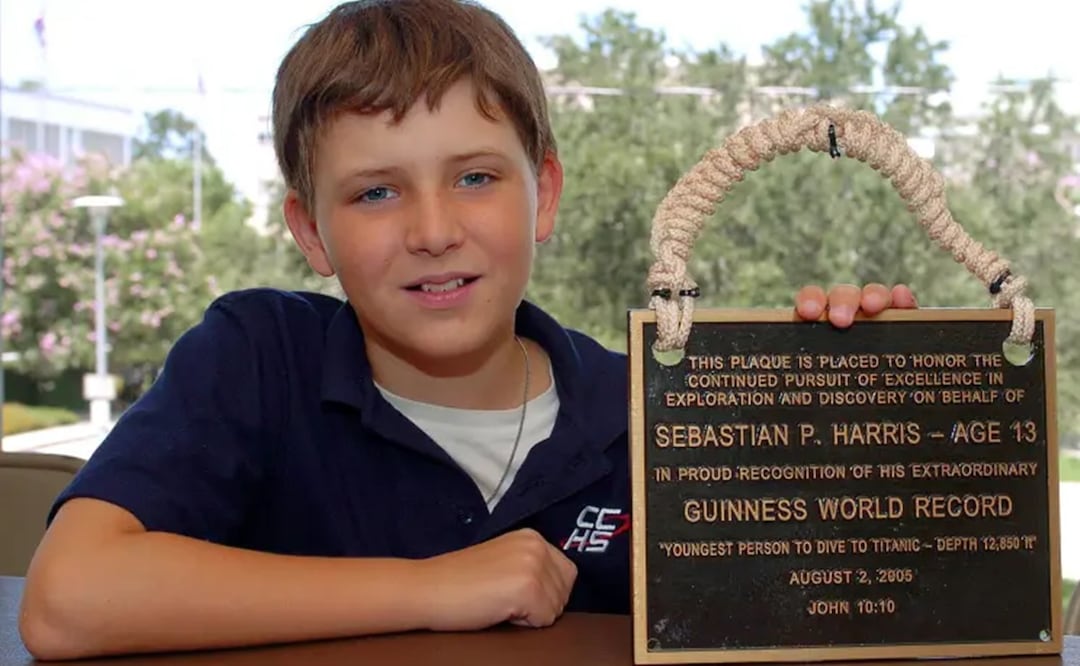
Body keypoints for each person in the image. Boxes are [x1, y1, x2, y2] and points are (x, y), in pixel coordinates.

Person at [17, 0, 916, 660]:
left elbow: (854, 610)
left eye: (477, 177)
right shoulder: (257, 357)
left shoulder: (656, 412)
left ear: (547, 196)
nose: (433, 229)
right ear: (308, 231)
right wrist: (432, 586)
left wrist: (866, 417)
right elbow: (68, 602)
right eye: (375, 191)